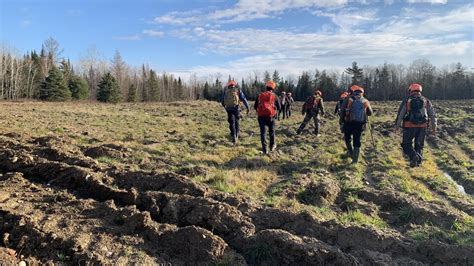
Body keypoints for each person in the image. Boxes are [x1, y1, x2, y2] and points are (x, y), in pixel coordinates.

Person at [395, 83, 436, 167]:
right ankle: (418, 164)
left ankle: (413, 157)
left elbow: (401, 114)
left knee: (406, 145)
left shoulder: (407, 100)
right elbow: (432, 114)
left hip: (409, 126)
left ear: (410, 90)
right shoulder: (426, 100)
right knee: (419, 145)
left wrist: (397, 126)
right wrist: (434, 126)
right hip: (423, 126)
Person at [343, 85, 373, 164]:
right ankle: (355, 161)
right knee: (357, 141)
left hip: (348, 122)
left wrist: (342, 121)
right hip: (359, 124)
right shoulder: (365, 100)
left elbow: (343, 110)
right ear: (362, 93)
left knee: (347, 138)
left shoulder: (349, 99)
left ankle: (351, 153)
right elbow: (370, 113)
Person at [254, 80, 281, 154]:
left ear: (266, 87)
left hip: (261, 117)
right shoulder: (275, 96)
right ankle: (272, 146)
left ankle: (264, 150)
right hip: (271, 117)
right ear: (273, 88)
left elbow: (255, 106)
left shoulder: (260, 95)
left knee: (263, 133)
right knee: (272, 131)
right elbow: (279, 107)